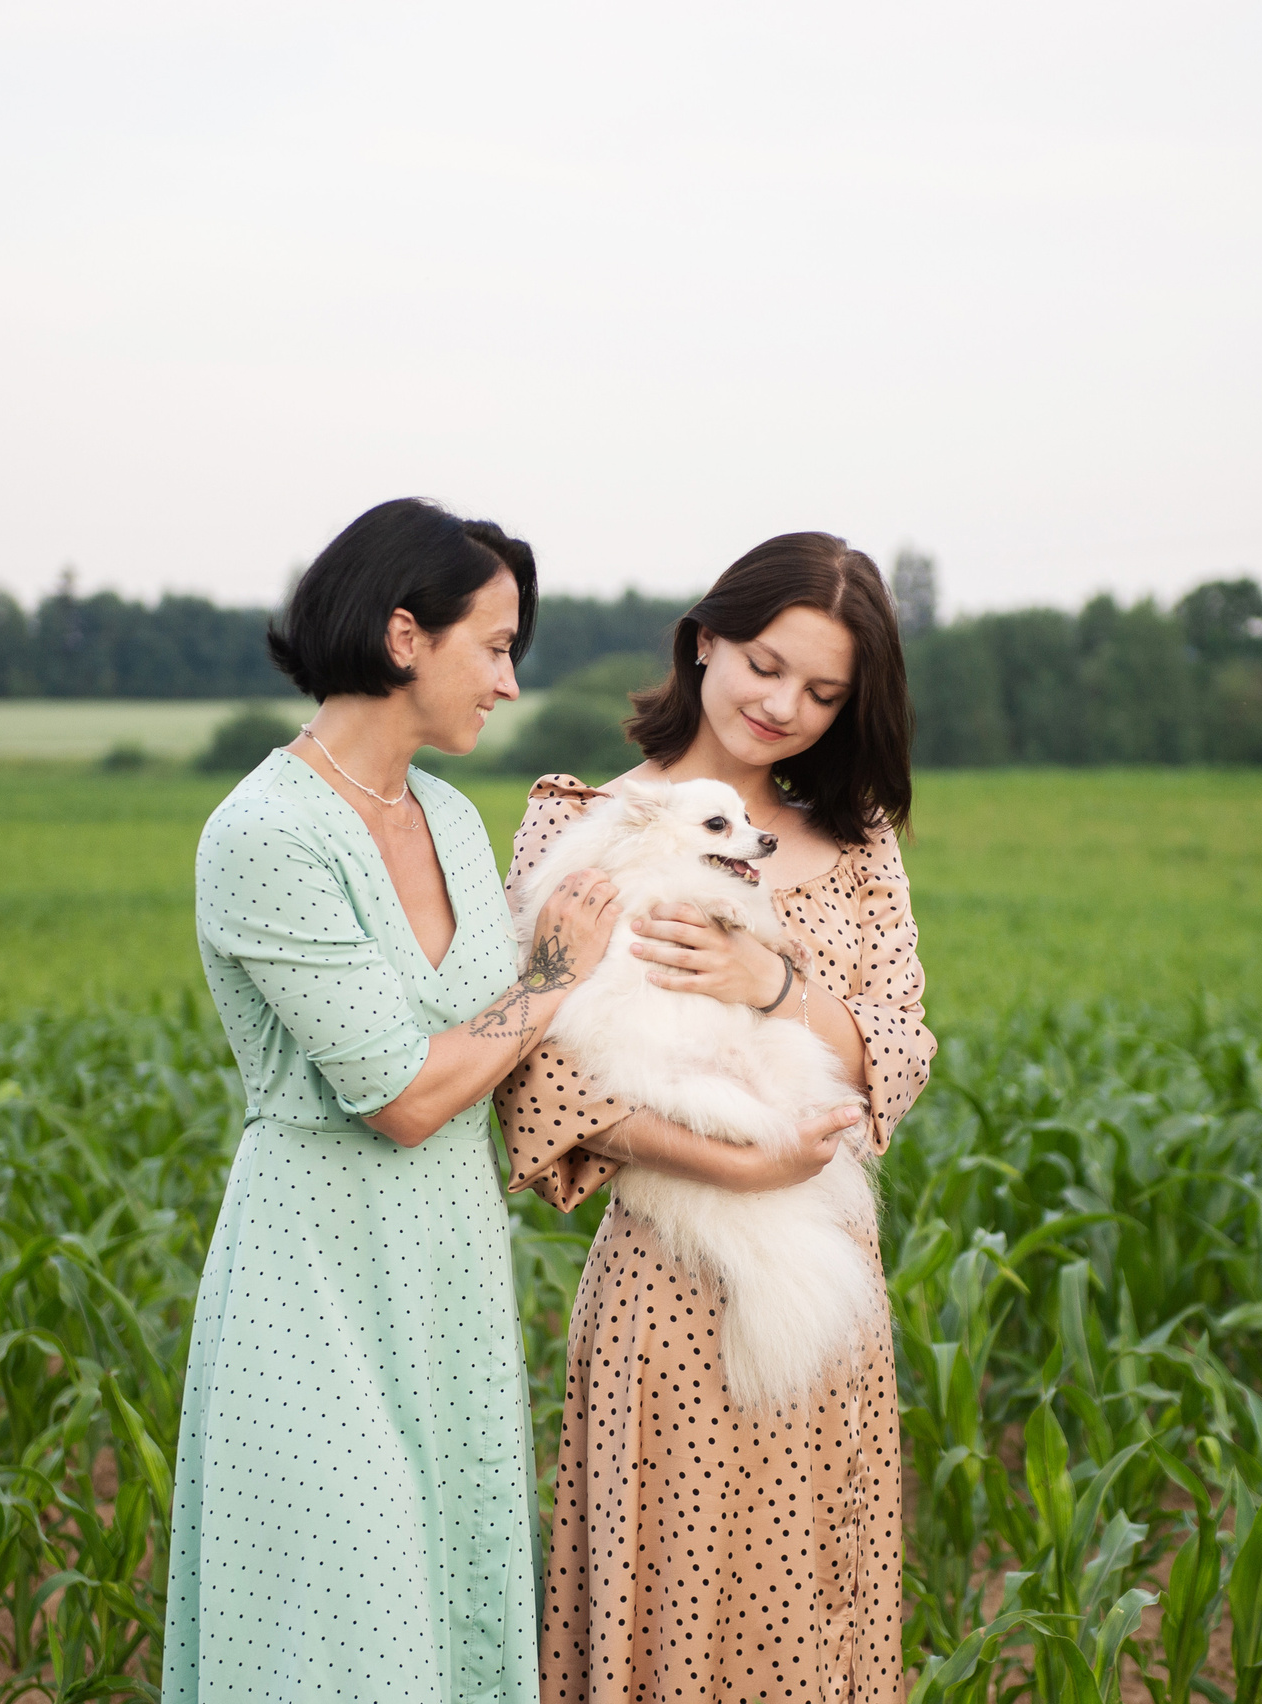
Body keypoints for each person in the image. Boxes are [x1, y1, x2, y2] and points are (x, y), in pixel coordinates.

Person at [164, 497, 625, 1704]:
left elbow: (502, 1060)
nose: (510, 684)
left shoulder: (455, 821)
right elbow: (405, 1098)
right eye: (496, 647)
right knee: (341, 1630)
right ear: (404, 635)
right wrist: (551, 981)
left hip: (450, 1274)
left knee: (453, 1609)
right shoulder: (265, 832)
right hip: (315, 1278)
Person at [496, 533, 934, 1703]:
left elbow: (900, 1045)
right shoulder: (581, 825)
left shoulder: (858, 850)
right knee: (672, 1613)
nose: (782, 706)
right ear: (704, 642)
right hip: (669, 1284)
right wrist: (740, 1166)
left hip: (826, 1285)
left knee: (808, 1613)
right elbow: (542, 1081)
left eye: (822, 693)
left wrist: (773, 985)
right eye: (765, 665)